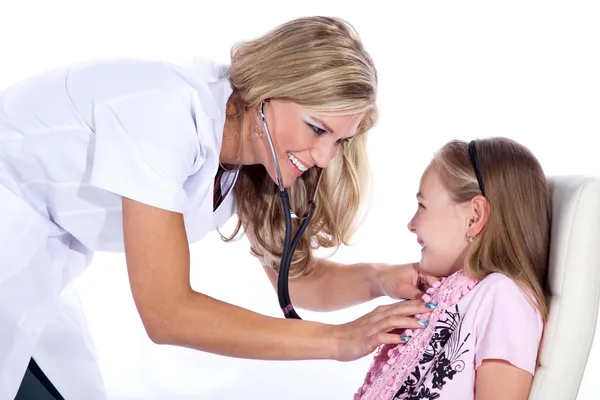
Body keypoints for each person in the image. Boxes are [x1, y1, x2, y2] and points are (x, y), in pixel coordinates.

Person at [0, 16, 437, 399]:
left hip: (40, 259)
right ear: (269, 92)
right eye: (316, 128)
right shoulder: (165, 111)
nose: (324, 157)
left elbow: (301, 286)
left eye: (338, 140)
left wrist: (382, 279)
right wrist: (338, 342)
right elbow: (166, 313)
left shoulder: (249, 159)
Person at [354, 137, 552, 399]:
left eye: (422, 206)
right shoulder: (456, 296)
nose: (411, 225)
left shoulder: (505, 298)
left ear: (475, 217)